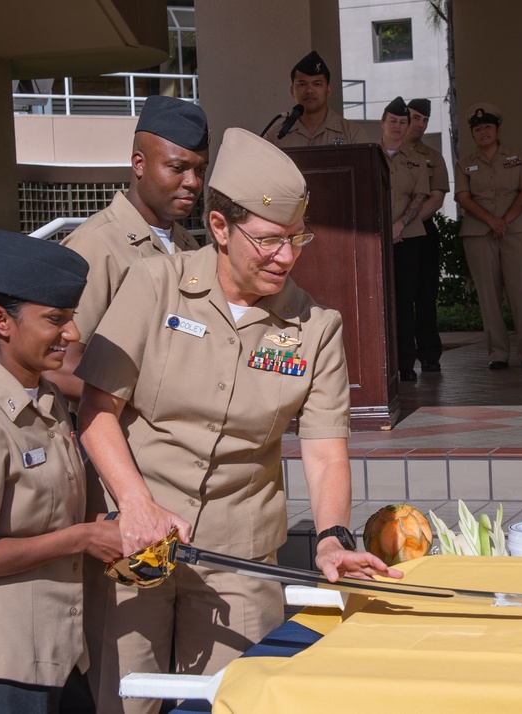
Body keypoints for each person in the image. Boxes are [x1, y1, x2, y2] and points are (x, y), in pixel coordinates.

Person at [75, 128, 400, 714]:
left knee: (238, 701)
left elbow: (325, 449)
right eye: (269, 241)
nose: (287, 256)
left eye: (296, 239)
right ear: (220, 228)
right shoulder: (155, 287)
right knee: (126, 699)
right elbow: (98, 410)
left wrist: (331, 538)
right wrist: (136, 504)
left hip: (240, 556)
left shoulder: (315, 326)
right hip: (138, 539)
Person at [0, 229, 123, 713]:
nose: (72, 335)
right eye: (56, 319)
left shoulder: (46, 398)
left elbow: (48, 517)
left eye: (72, 318)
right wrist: (81, 539)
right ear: (0, 321)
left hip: (57, 658)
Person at [47, 95, 209, 403]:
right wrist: (152, 401)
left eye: (201, 170)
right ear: (139, 163)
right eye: (178, 167)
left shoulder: (186, 243)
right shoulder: (97, 244)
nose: (192, 182)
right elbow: (61, 366)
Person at [454, 103, 522, 369]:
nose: (483, 132)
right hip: (479, 233)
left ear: (498, 130)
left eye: (488, 127)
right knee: (488, 295)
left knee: (519, 292)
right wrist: (491, 220)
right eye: (478, 129)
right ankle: (498, 354)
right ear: (473, 134)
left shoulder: (518, 156)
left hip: (516, 230)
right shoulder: (466, 164)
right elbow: (463, 197)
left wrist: (505, 220)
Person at [379, 96, 430, 382]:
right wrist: (383, 229)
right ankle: (381, 363)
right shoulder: (368, 154)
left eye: (402, 122)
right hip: (374, 238)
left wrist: (398, 226)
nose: (398, 126)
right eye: (393, 121)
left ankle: (406, 364)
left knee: (404, 302)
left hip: (408, 237)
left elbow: (420, 196)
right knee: (378, 301)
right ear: (383, 122)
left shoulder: (416, 160)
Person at [404, 97, 449, 372]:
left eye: (424, 120)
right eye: (414, 117)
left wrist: (406, 224)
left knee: (426, 295)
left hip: (423, 230)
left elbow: (437, 198)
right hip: (394, 235)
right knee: (400, 298)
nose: (419, 124)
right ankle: (403, 357)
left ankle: (430, 354)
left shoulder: (432, 156)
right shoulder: (386, 152)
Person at [269, 50, 369, 148]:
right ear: (292, 91)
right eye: (302, 84)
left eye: (317, 84)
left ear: (328, 89)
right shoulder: (275, 137)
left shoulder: (352, 134)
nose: (309, 90)